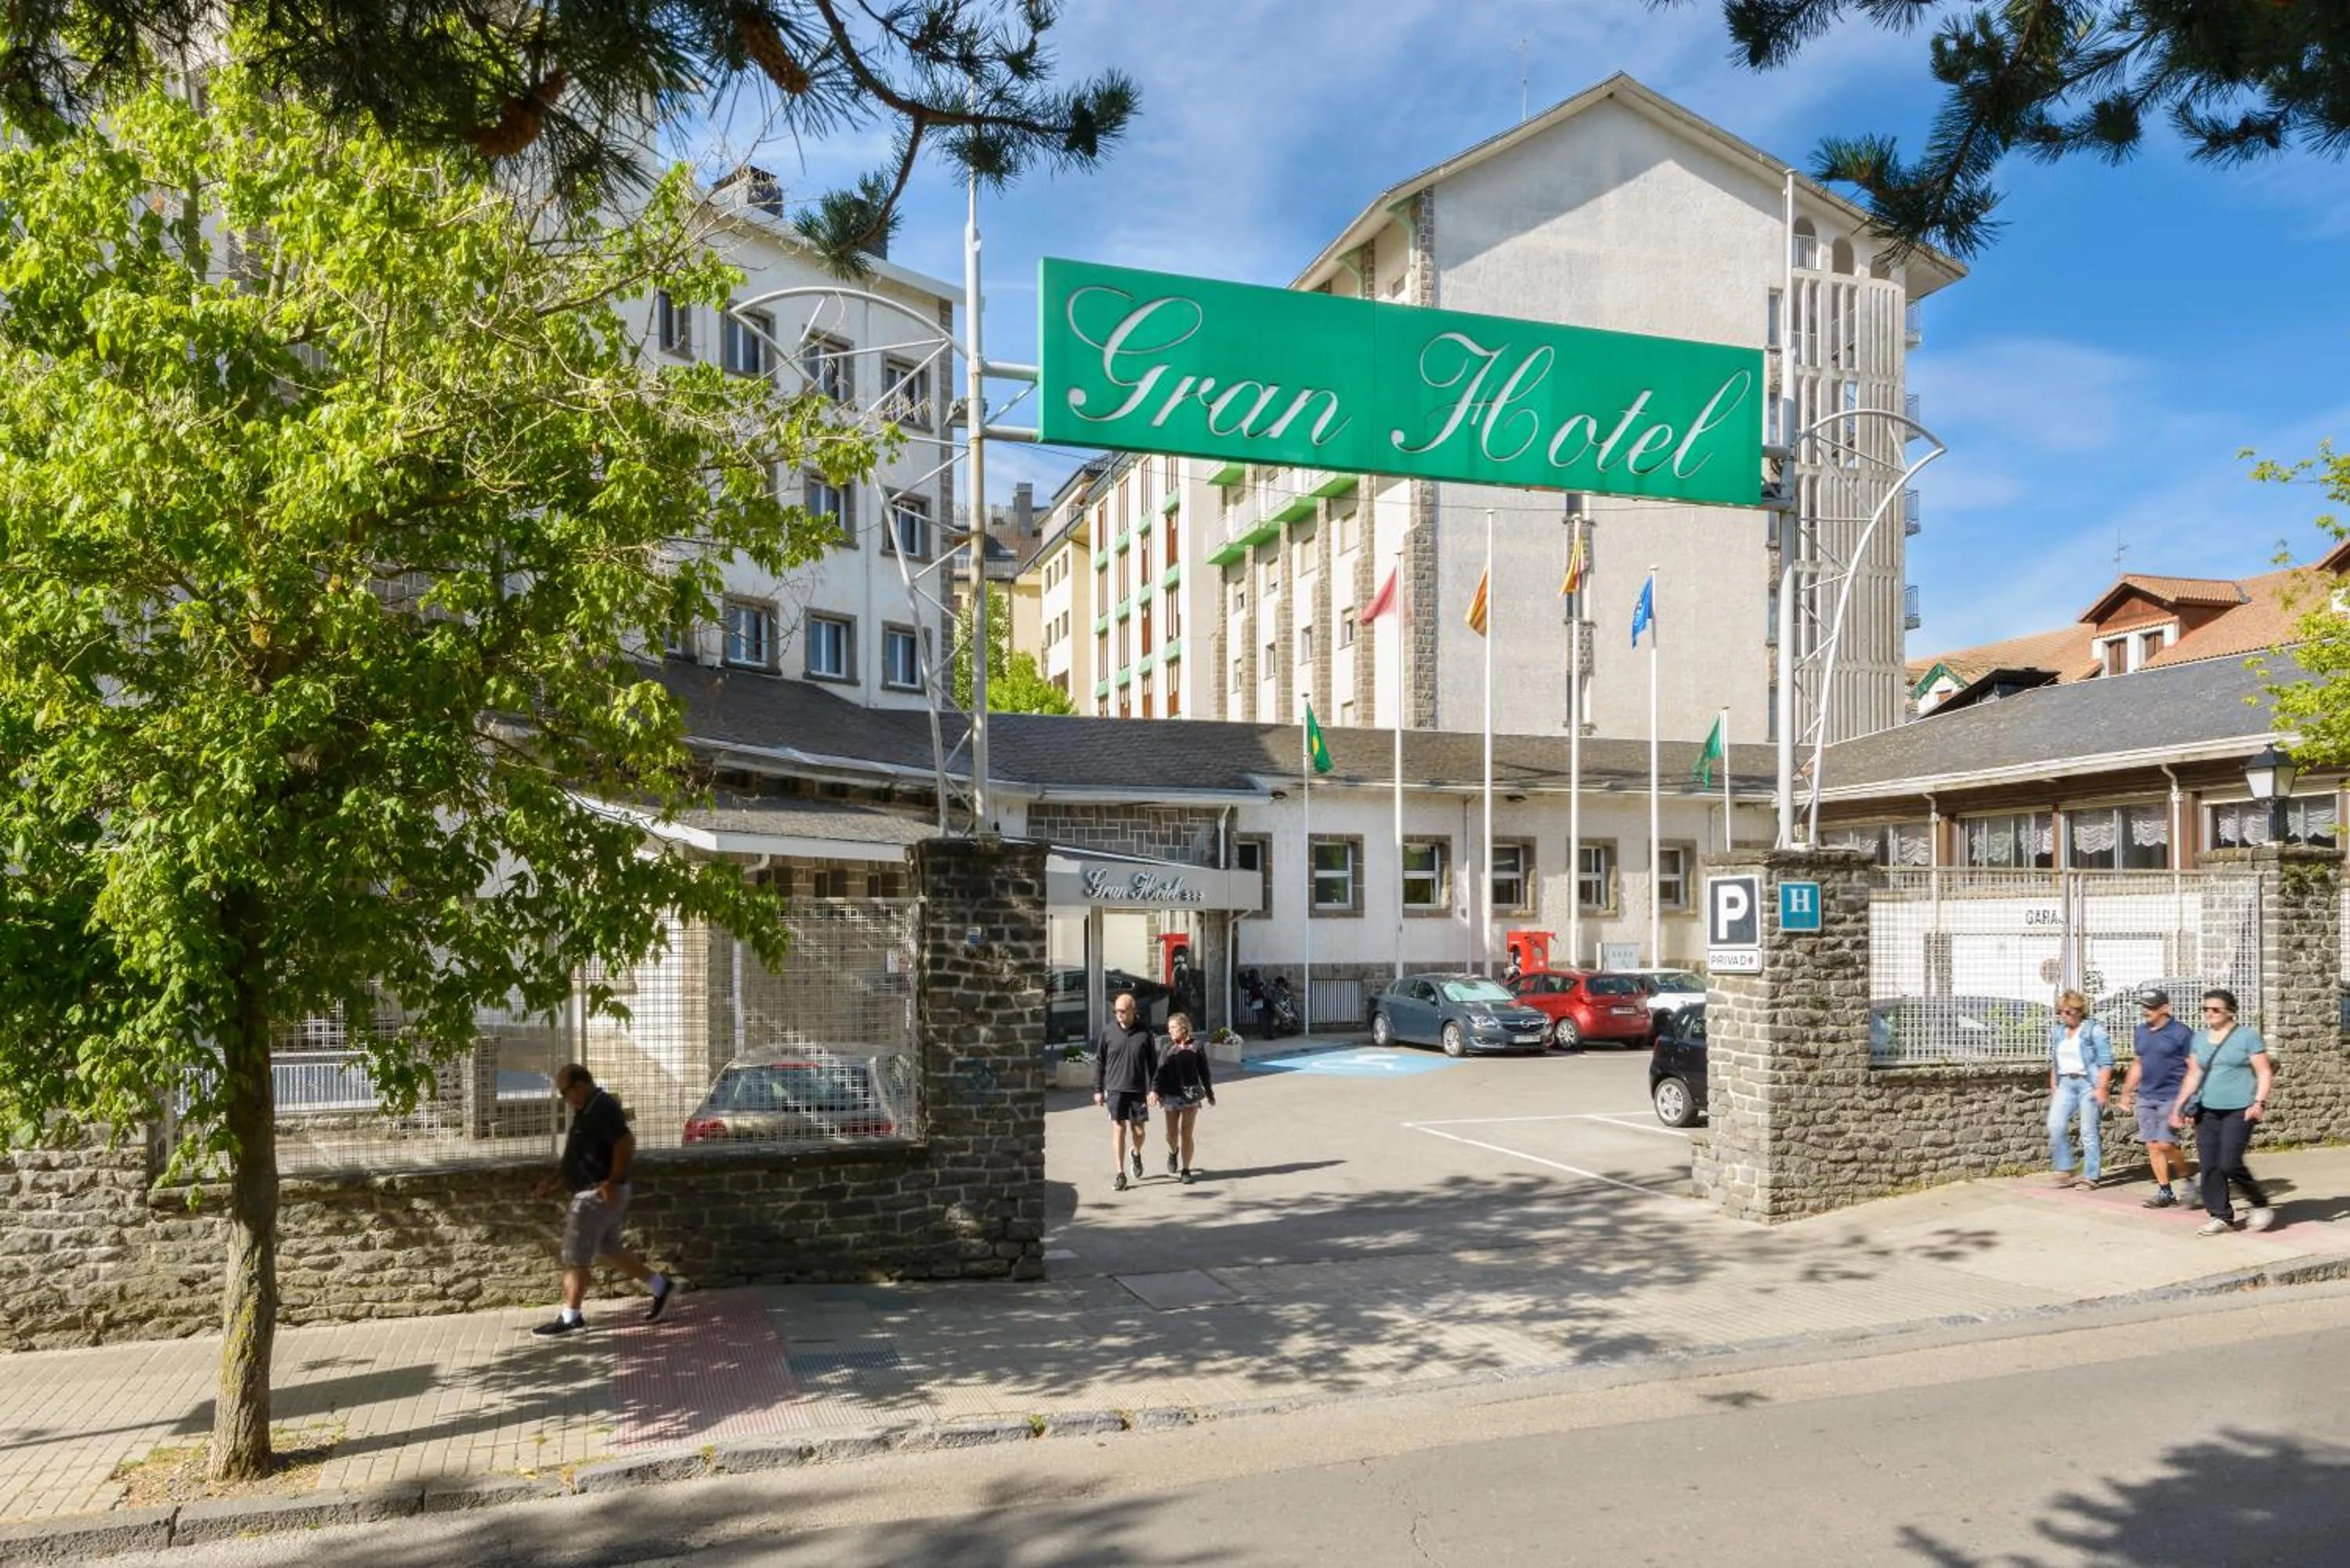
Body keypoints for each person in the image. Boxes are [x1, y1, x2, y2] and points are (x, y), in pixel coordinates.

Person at [533, 1064, 673, 1336]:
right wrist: (553, 1180)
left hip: (595, 1194)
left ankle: (571, 1317)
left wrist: (612, 1182)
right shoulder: (587, 1110)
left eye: (566, 1092)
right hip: (598, 1191)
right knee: (609, 1248)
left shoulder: (603, 1107)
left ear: (581, 1085)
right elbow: (577, 1156)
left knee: (575, 1257)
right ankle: (660, 1286)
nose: (565, 1098)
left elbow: (625, 1144)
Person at [2169, 988, 2276, 1236]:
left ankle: (2259, 1203)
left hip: (2240, 1108)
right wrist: (2179, 1106)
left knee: (2229, 1162)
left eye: (2215, 1009)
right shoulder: (2199, 1038)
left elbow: (2264, 1072)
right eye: (2206, 1009)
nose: (2209, 1013)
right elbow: (2193, 1074)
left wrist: (2258, 1102)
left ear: (2230, 1011)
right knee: (2209, 1166)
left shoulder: (2247, 1037)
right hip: (2206, 1110)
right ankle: (2221, 1216)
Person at [2119, 987, 2198, 1209]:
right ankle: (2165, 1192)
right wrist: (2126, 1092)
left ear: (2165, 1008)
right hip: (2147, 1096)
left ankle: (2189, 1180)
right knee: (2152, 1145)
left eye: (2151, 1007)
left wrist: (2191, 1102)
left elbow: (2193, 1068)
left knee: (2165, 1143)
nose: (2146, 1011)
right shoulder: (2141, 1032)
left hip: (2172, 1096)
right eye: (2144, 1007)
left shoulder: (2182, 1033)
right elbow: (2138, 1063)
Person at [2045, 989, 2113, 1190]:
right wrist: (2054, 1084)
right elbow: (2054, 1061)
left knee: (2088, 1131)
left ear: (2078, 1011)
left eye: (2067, 1012)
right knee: (2055, 1125)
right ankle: (2066, 1167)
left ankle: (2091, 1176)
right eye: (2060, 1012)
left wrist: (2102, 1088)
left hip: (2088, 1084)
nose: (2063, 1016)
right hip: (2066, 1083)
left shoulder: (2094, 1030)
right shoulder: (2058, 1032)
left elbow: (2106, 1062)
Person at [1094, 991, 1159, 1191]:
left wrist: (1153, 1089)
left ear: (1133, 1010)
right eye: (1116, 1011)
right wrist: (1098, 1088)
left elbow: (1153, 1064)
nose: (1118, 1014)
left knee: (1138, 1131)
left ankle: (1136, 1153)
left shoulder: (1145, 1032)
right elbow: (1099, 1061)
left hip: (1137, 1089)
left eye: (1122, 1011)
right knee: (1119, 1128)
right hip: (1115, 1089)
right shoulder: (1107, 1032)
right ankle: (1120, 1174)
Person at [1152, 1012, 1217, 1183]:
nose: (1170, 1031)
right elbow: (1159, 1072)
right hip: (1171, 1095)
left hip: (1191, 1096)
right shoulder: (1167, 1048)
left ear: (1184, 1028)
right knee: (1172, 1135)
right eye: (1169, 1028)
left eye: (1173, 1027)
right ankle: (1173, 1152)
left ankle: (1186, 1170)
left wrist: (1210, 1094)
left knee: (1187, 1133)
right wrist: (1155, 1091)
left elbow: (1204, 1072)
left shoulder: (1197, 1046)